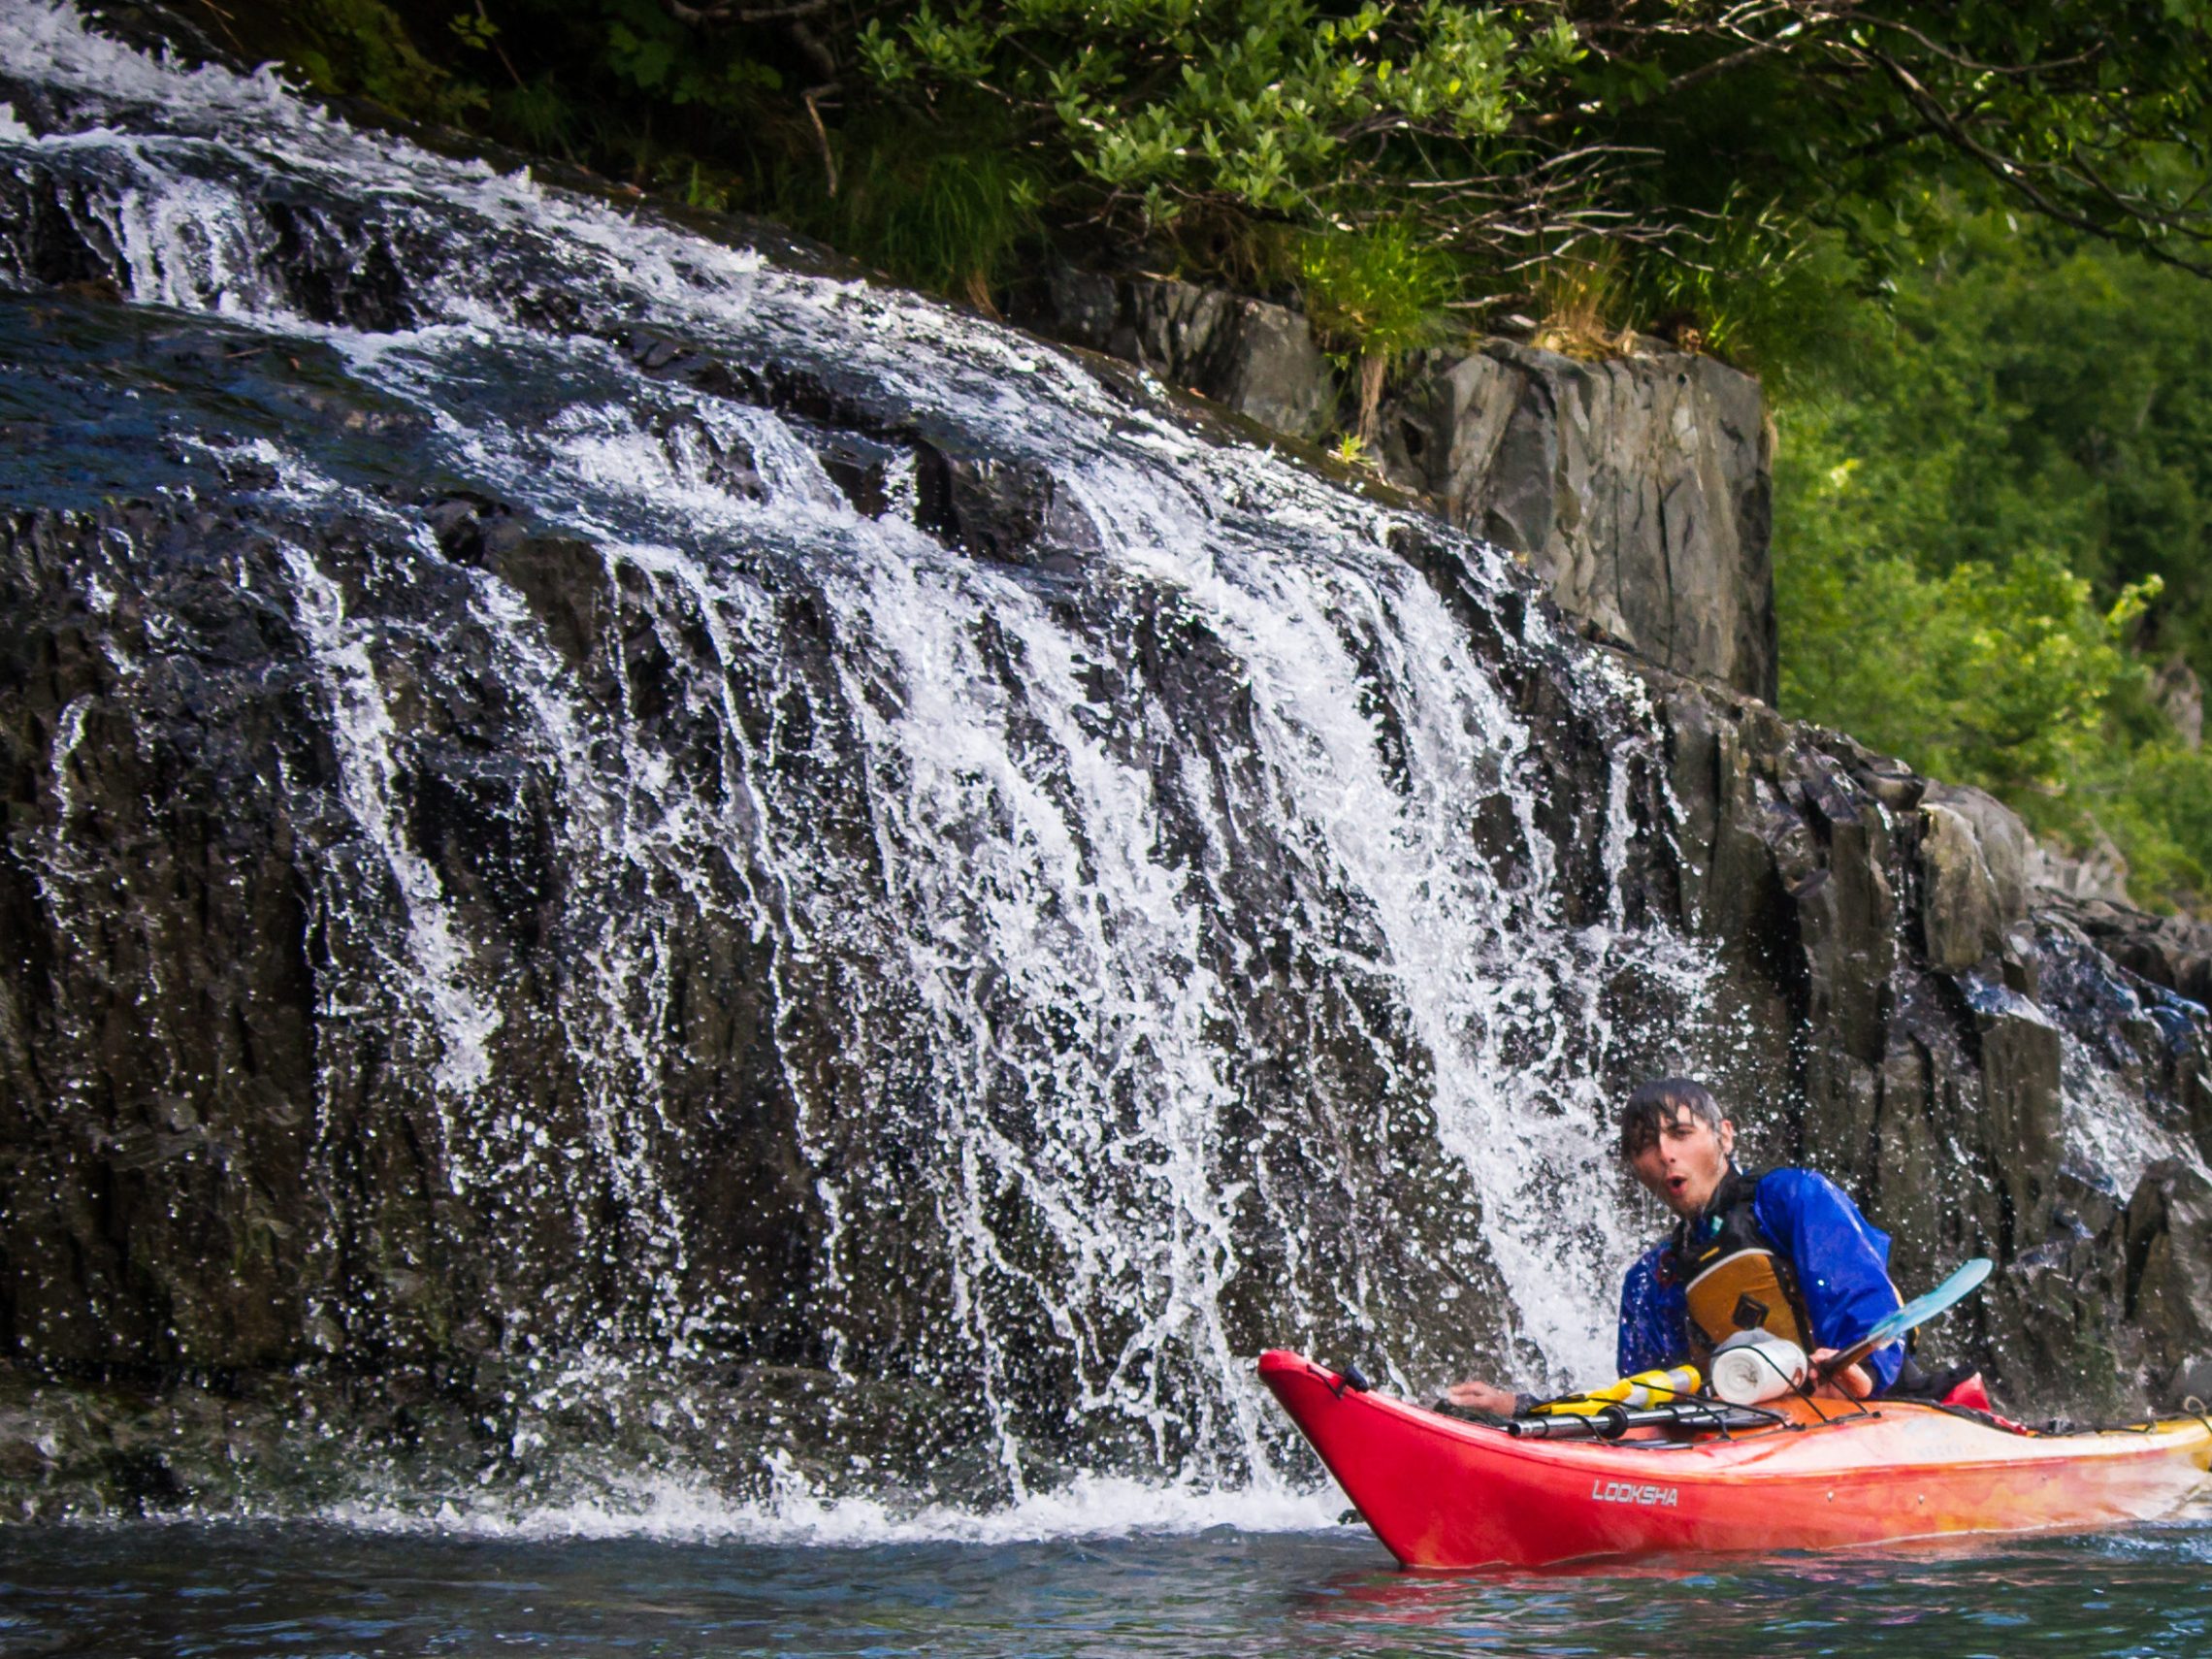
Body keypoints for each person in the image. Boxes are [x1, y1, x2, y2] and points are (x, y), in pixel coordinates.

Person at [1448, 1078, 1945, 1415]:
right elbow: (1648, 1399)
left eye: (1681, 1134)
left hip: (1877, 1407)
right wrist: (1520, 1407)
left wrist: (1856, 1373)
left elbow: (1863, 1301)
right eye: (1645, 1145)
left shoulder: (1792, 1198)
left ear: (1724, 1137)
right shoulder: (1650, 1278)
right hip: (1755, 1434)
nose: (1664, 1153)